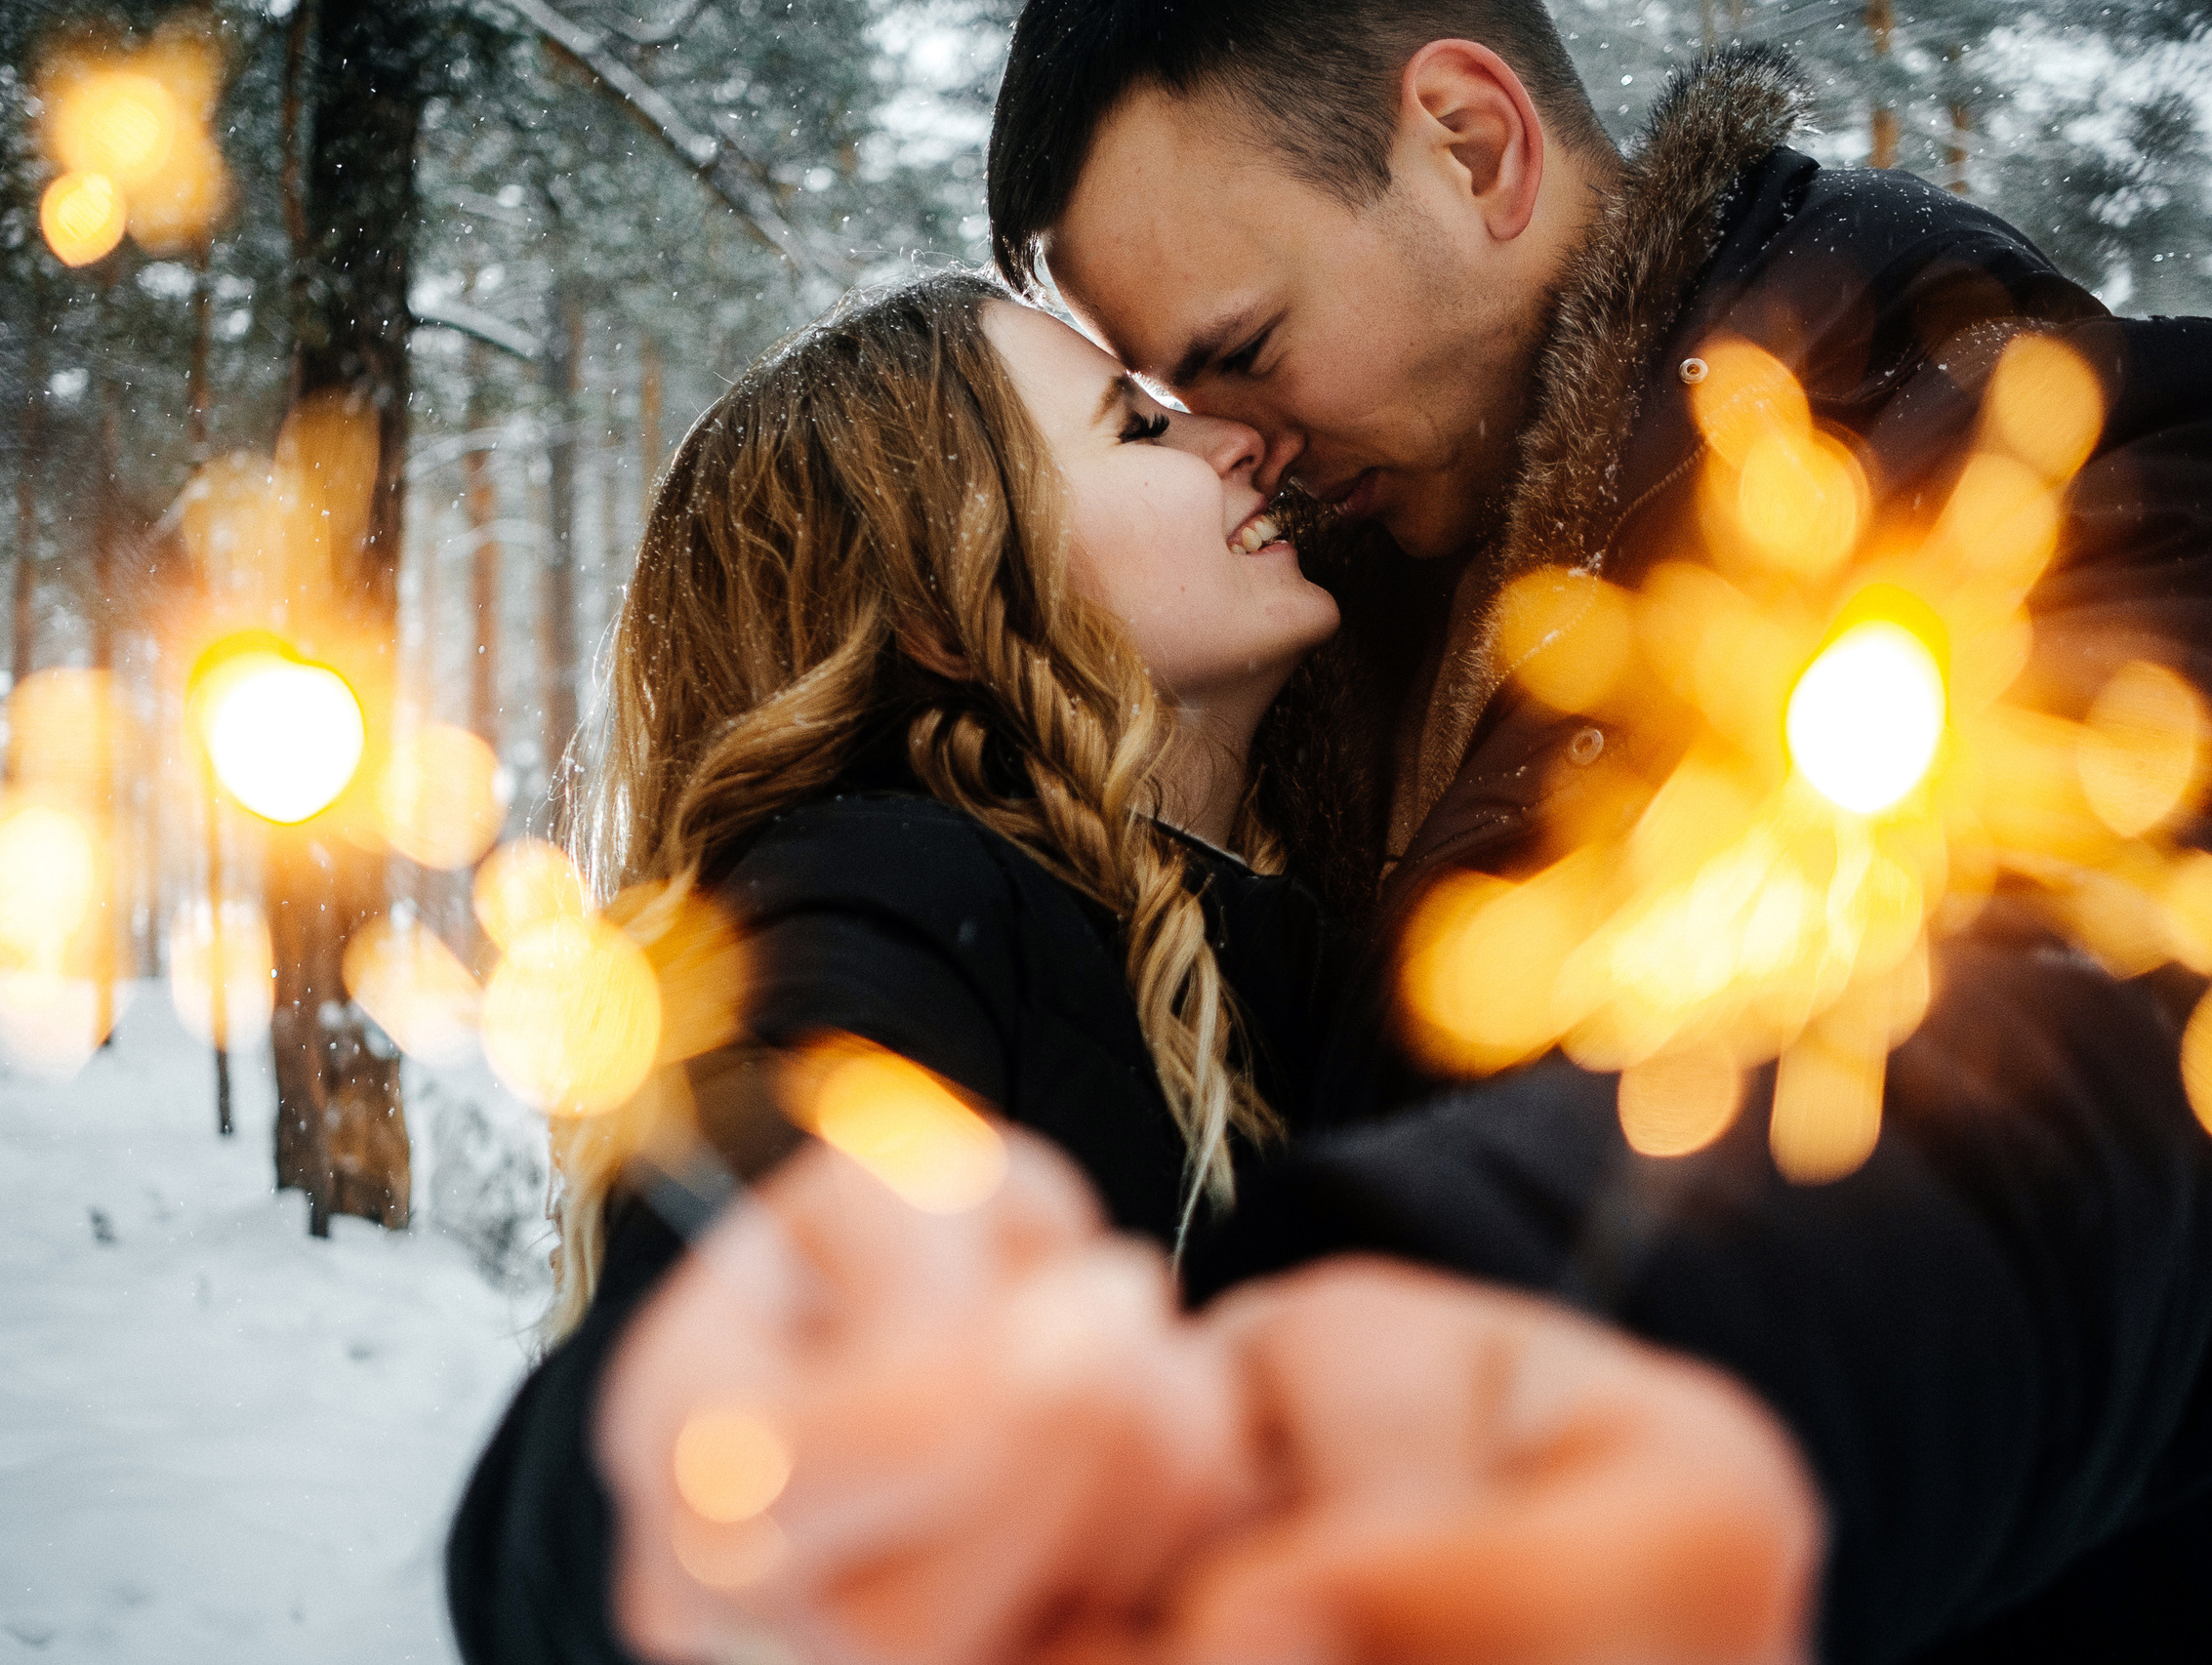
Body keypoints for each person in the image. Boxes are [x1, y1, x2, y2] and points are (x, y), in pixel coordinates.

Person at [927, 4, 2208, 1662]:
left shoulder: (2015, 481)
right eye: (1165, 405)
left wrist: (1500, 1373)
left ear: (1472, 143)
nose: (1236, 445)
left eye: (1241, 349)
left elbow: (2069, 1068)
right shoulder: (1321, 645)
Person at [447, 272, 1820, 1664]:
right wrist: (717, 1452)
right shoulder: (883, 880)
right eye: (1137, 428)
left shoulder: (1334, 940)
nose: (1243, 442)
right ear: (942, 599)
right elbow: (675, 1391)